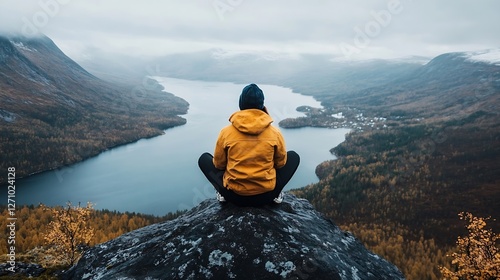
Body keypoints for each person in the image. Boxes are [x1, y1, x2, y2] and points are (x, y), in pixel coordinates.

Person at [198, 83, 300, 207]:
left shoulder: (226, 132)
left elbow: (219, 165)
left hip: (234, 196)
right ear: (262, 105)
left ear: (241, 104)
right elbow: (280, 164)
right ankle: (277, 194)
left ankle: (222, 194)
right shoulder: (274, 133)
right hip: (266, 195)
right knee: (294, 156)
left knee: (204, 159)